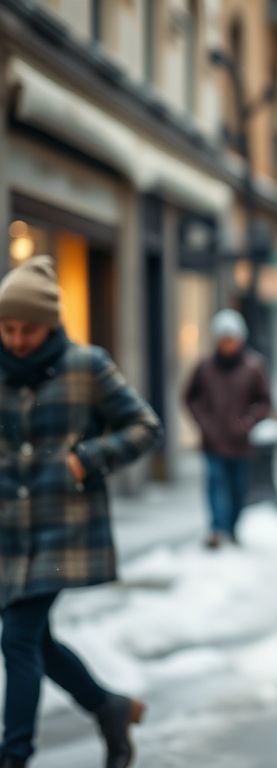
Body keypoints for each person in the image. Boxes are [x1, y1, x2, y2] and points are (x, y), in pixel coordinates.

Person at [0, 256, 163, 768]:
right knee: (35, 641)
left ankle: (14, 755)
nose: (17, 339)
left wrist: (86, 459)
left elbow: (145, 427)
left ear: (50, 323)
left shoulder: (86, 366)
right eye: (8, 327)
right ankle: (108, 707)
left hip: (61, 529)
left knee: (19, 637)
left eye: (28, 328)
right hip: (7, 529)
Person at [183, 309, 271, 549]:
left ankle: (231, 529)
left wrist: (247, 422)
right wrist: (204, 423)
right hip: (213, 440)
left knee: (238, 489)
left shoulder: (253, 367)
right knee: (215, 485)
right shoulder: (204, 367)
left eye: (231, 339)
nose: (227, 344)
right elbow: (190, 397)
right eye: (223, 339)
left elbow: (264, 401)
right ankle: (217, 530)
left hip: (240, 442)